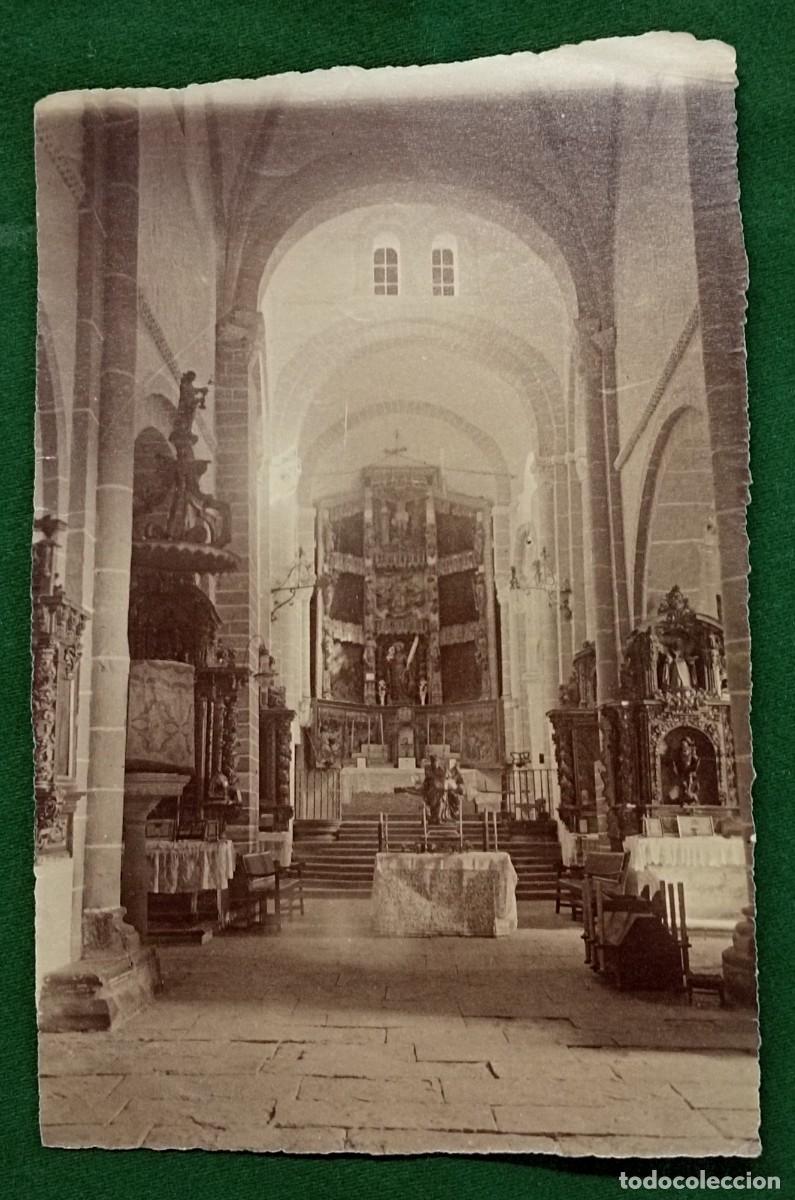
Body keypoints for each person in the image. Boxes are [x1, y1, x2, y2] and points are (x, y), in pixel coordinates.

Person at [444, 757, 465, 821]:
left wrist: (456, 788)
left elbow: (461, 785)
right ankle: (446, 815)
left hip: (455, 791)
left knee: (453, 797)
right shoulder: (448, 773)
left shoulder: (458, 774)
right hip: (448, 790)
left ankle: (454, 815)